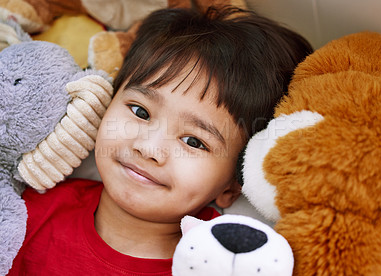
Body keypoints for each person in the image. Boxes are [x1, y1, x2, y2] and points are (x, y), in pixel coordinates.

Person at [8, 6, 312, 276]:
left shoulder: (224, 262)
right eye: (140, 111)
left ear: (233, 185)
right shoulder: (28, 208)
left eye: (194, 141)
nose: (148, 147)